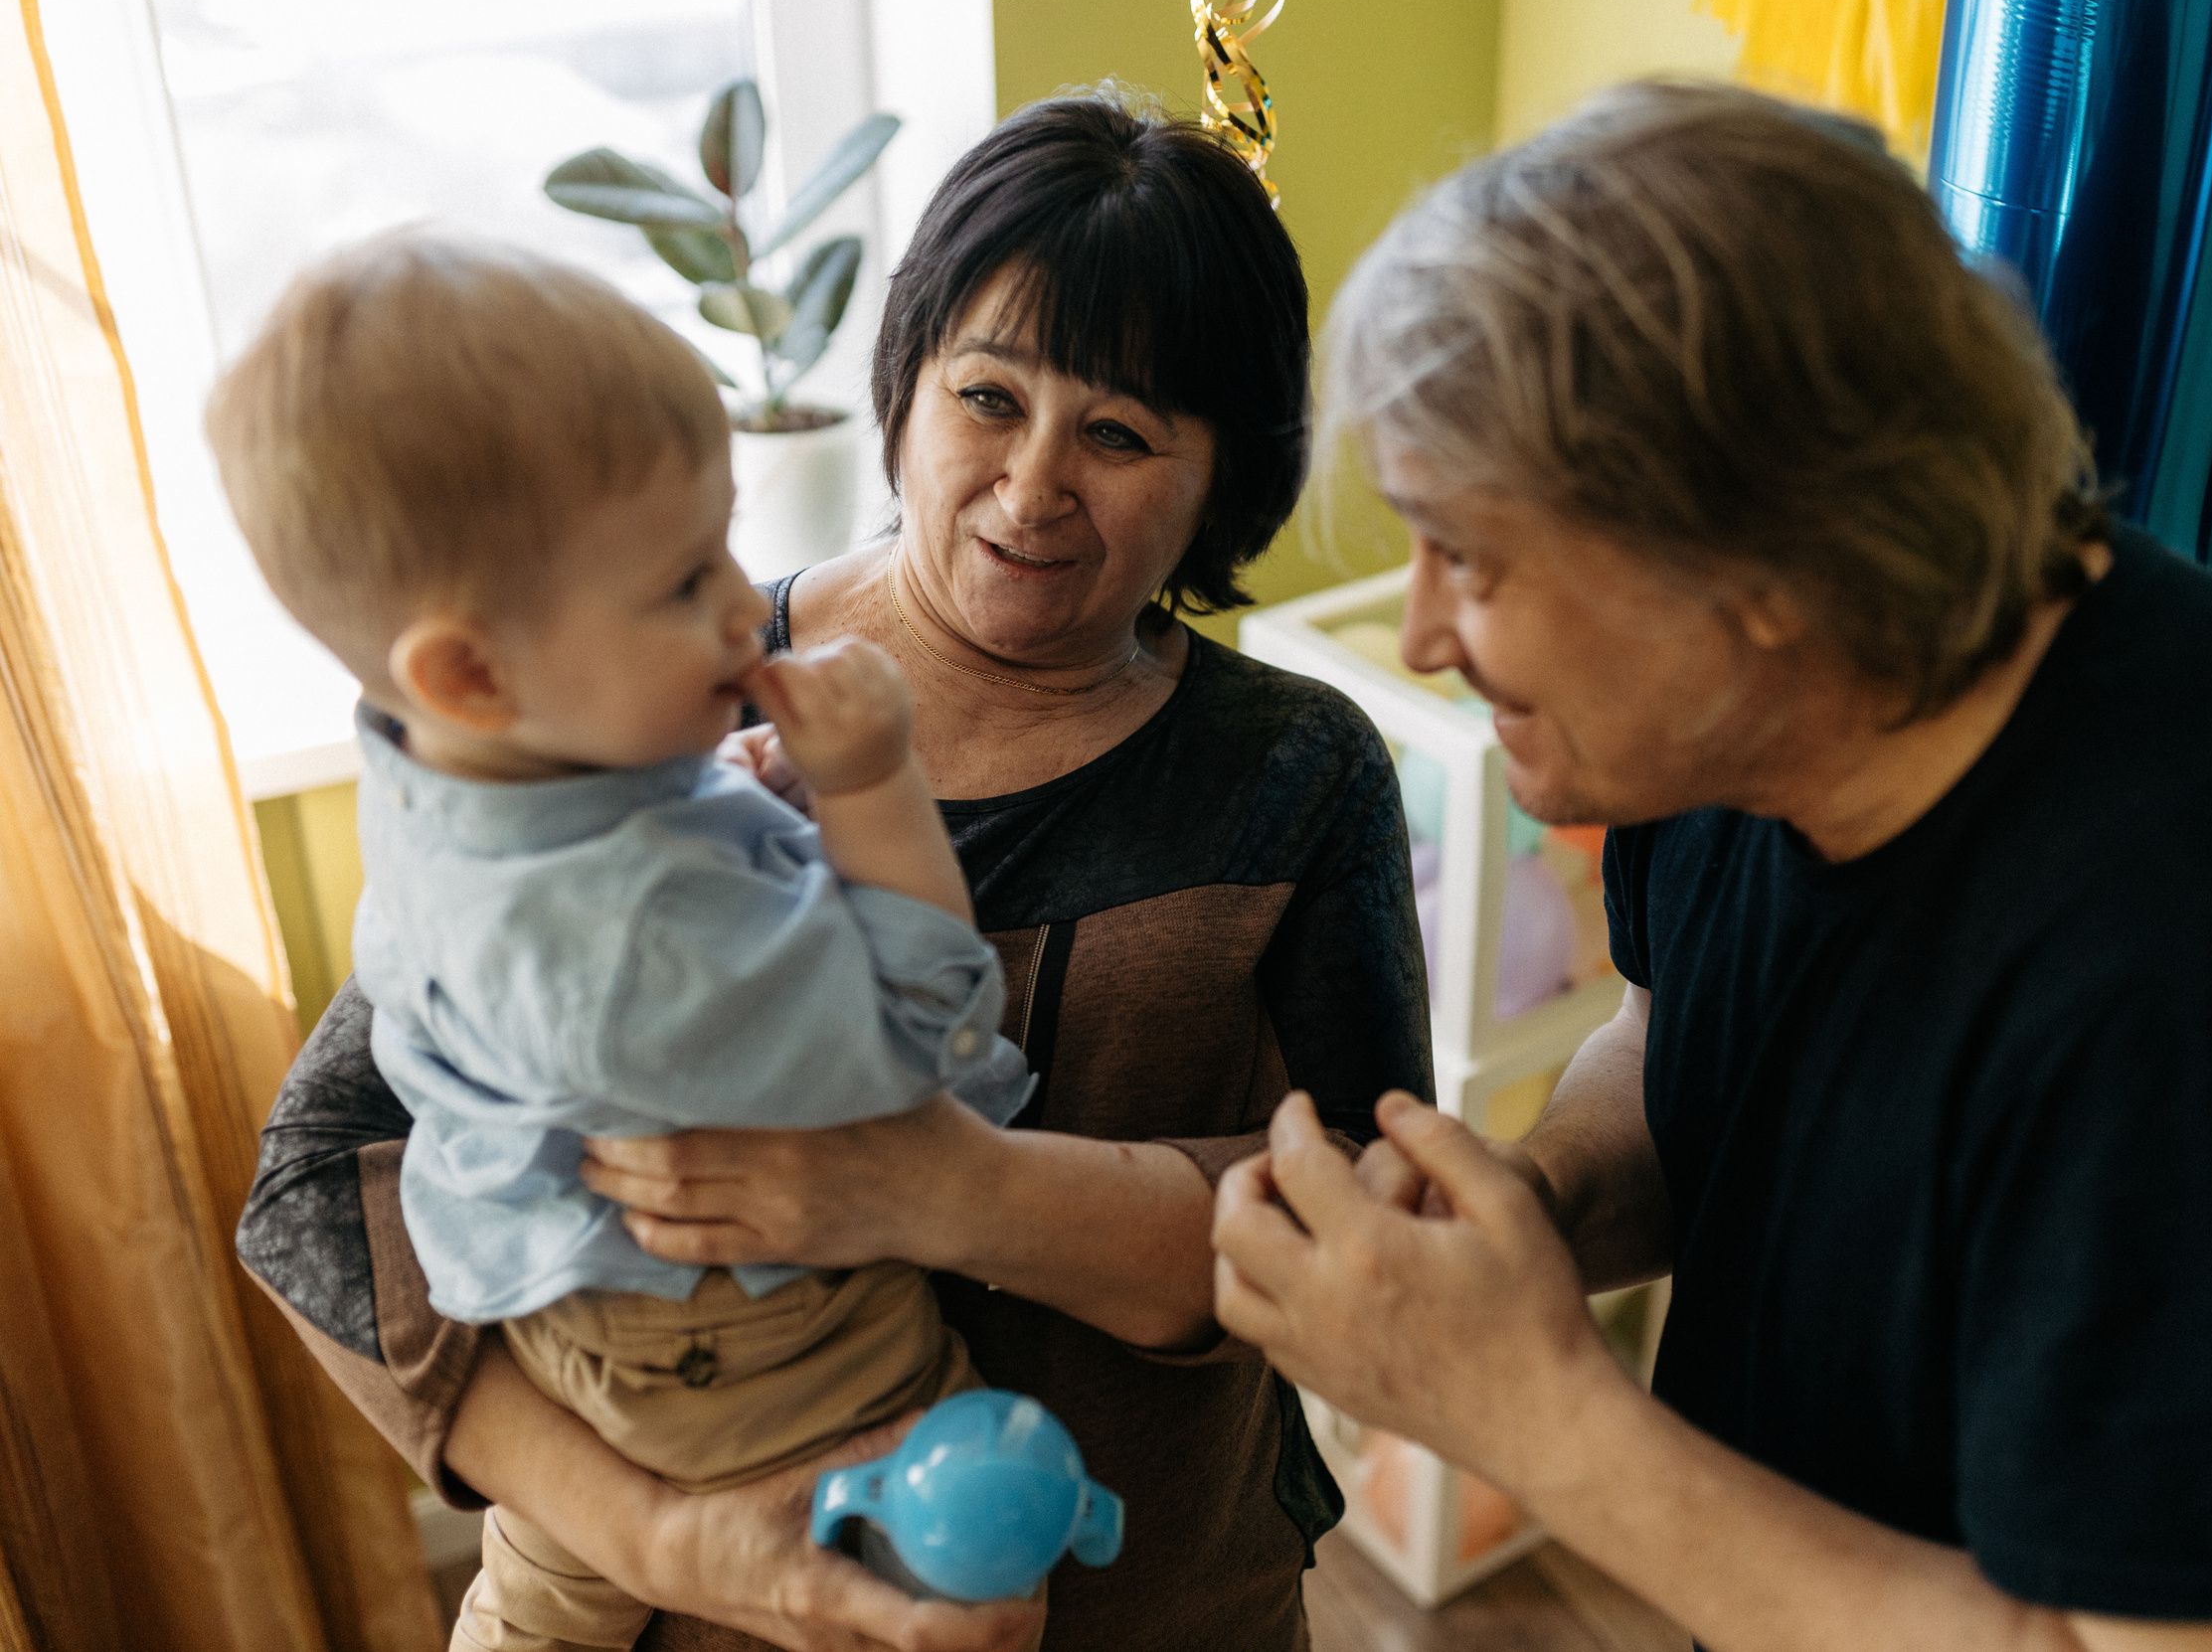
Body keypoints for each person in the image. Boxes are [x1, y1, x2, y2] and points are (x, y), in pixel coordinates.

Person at [1212, 83, 2212, 1652]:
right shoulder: (1722, 728)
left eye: (1473, 557)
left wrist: (1534, 1417)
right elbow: (1679, 1035)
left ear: (1760, 559)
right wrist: (1536, 1216)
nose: (1426, 633)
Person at [236, 92, 1430, 1652]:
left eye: (1123, 433)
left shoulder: (1291, 774)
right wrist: (660, 1539)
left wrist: (960, 1191)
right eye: (988, 395)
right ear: (906, 383)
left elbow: (1379, 1232)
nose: (1034, 481)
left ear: (1225, 477)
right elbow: (316, 1185)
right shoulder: (656, 684)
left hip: (1155, 1599)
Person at [208, 231, 1041, 1652]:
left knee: (545, 1595)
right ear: (469, 671)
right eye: (680, 582)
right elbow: (919, 1043)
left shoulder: (449, 758)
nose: (743, 599)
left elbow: (605, 829)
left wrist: (713, 791)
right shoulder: (624, 951)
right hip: (747, 1352)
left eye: (722, 537)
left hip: (551, 1284)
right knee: (981, 1576)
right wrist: (868, 789)